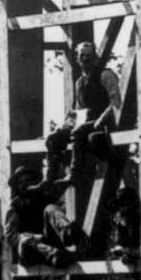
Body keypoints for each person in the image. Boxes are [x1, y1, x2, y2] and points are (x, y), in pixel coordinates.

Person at [48, 40, 122, 186]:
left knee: (79, 132)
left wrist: (101, 119)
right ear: (77, 58)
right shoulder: (79, 83)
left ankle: (75, 174)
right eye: (82, 55)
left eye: (89, 55)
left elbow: (116, 102)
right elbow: (76, 111)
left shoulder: (106, 75)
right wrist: (65, 125)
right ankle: (50, 178)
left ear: (95, 57)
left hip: (104, 122)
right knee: (53, 138)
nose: (85, 59)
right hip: (85, 121)